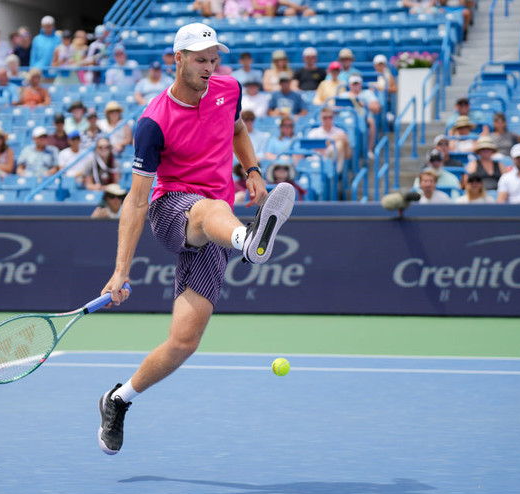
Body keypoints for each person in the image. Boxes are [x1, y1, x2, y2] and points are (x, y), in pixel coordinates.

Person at [96, 22, 296, 456]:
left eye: (214, 59)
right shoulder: (153, 122)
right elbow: (133, 202)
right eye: (201, 60)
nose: (209, 68)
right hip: (173, 212)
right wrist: (119, 272)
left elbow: (238, 130)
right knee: (211, 209)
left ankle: (117, 400)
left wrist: (254, 172)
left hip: (214, 224)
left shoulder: (229, 89)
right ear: (179, 60)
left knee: (185, 341)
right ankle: (249, 240)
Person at [340, 73, 380, 159]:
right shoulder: (344, 95)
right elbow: (335, 108)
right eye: (353, 84)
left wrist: (364, 104)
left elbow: (377, 108)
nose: (355, 86)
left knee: (371, 121)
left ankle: (369, 149)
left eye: (357, 83)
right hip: (345, 119)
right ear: (349, 85)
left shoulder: (368, 93)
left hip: (363, 117)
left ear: (361, 84)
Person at [306, 106, 351, 172]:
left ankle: (330, 169)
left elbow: (348, 155)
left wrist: (345, 141)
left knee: (340, 143)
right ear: (320, 118)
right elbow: (308, 150)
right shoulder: (313, 133)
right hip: (315, 162)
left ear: (333, 118)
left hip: (334, 164)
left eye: (330, 117)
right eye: (325, 118)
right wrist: (330, 141)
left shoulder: (340, 132)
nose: (327, 120)